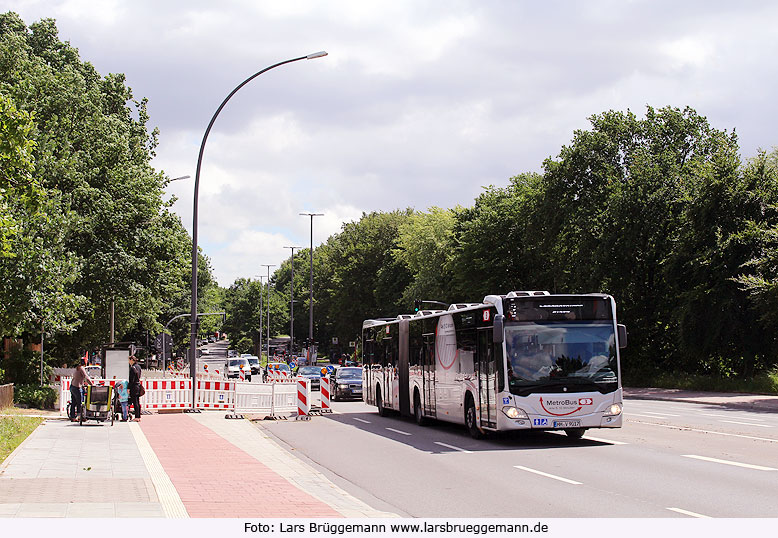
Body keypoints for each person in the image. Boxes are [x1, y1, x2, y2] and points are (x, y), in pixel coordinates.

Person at [128, 355, 142, 422]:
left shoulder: (132, 368)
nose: (129, 362)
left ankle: (136, 417)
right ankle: (138, 416)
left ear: (132, 360)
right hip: (138, 386)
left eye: (129, 360)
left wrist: (128, 388)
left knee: (135, 402)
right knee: (137, 402)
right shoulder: (138, 367)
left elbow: (131, 379)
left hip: (134, 387)